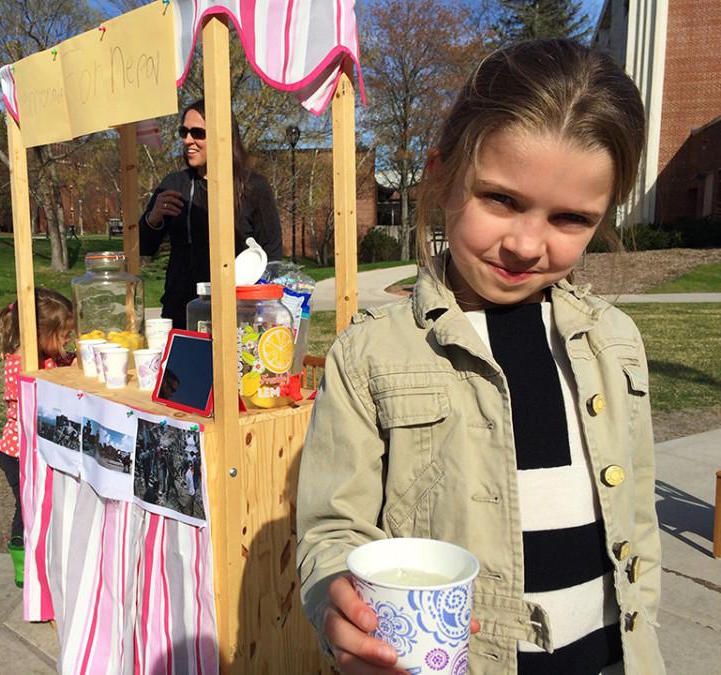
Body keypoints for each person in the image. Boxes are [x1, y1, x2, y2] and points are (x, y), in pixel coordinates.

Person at [296, 38, 663, 675]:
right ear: (442, 175)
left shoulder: (616, 344)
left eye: (570, 218)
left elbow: (639, 523)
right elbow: (333, 532)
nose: (525, 244)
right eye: (501, 199)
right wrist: (336, 608)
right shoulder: (370, 355)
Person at [139, 99, 283, 328]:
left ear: (222, 135)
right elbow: (143, 247)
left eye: (197, 133)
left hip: (238, 317)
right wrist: (153, 218)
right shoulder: (174, 184)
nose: (188, 140)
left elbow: (273, 257)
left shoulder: (252, 186)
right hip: (181, 313)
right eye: (183, 132)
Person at [0, 288, 75, 588]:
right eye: (63, 336)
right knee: (27, 505)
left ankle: (39, 556)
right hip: (17, 453)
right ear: (41, 334)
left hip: (32, 449)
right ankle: (22, 561)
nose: (67, 343)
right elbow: (37, 397)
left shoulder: (45, 357)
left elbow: (62, 364)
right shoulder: (22, 365)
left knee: (39, 503)